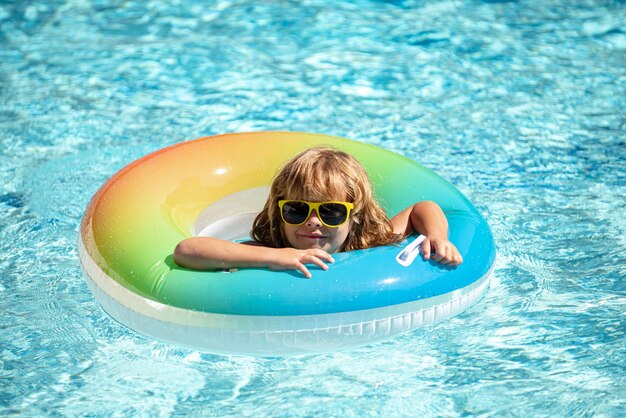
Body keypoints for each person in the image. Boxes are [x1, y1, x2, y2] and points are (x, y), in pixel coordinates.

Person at [174, 147, 463, 278]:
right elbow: (189, 250)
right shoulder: (271, 249)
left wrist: (437, 236)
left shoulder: (370, 241)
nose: (313, 221)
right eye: (297, 210)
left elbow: (422, 207)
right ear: (279, 212)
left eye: (332, 212)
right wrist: (275, 257)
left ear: (356, 216)